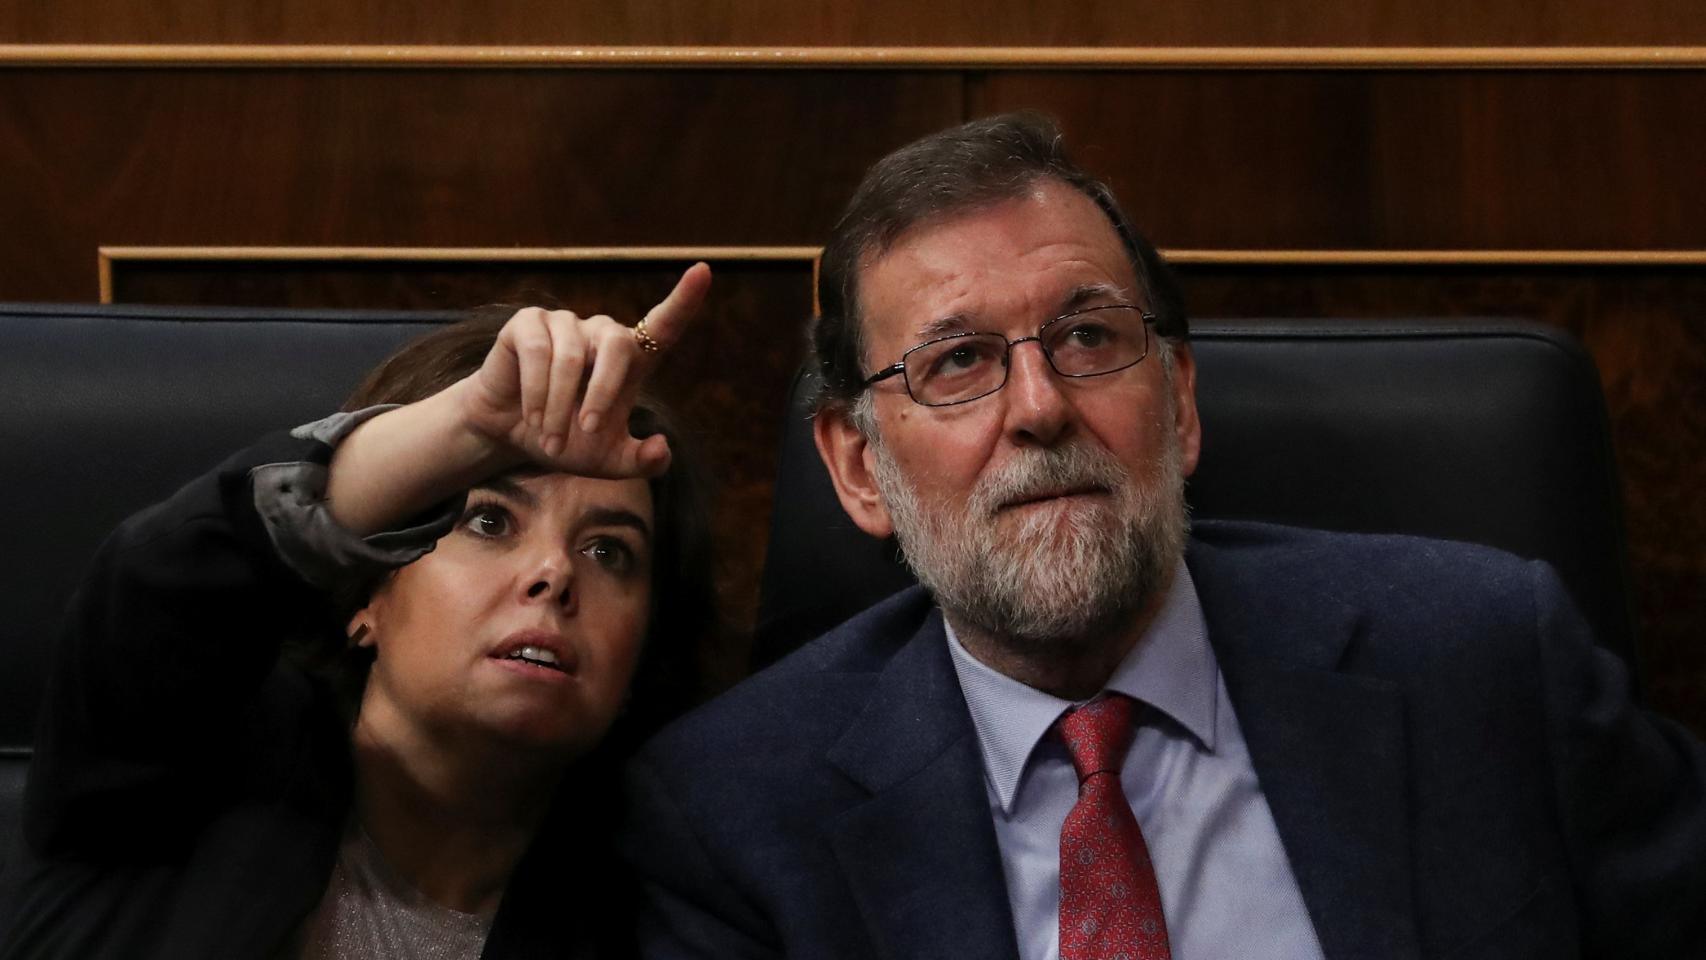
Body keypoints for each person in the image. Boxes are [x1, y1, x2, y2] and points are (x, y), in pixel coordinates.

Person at [620, 117, 1706, 959]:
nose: (1038, 406)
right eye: (955, 363)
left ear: (1177, 403)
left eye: (1087, 336)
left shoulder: (1484, 660)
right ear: (859, 467)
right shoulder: (735, 816)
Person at [0, 265, 716, 959]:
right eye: (491, 522)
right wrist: (466, 429)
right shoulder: (176, 775)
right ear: (364, 598)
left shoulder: (669, 911)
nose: (554, 573)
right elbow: (158, 594)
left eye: (609, 553)